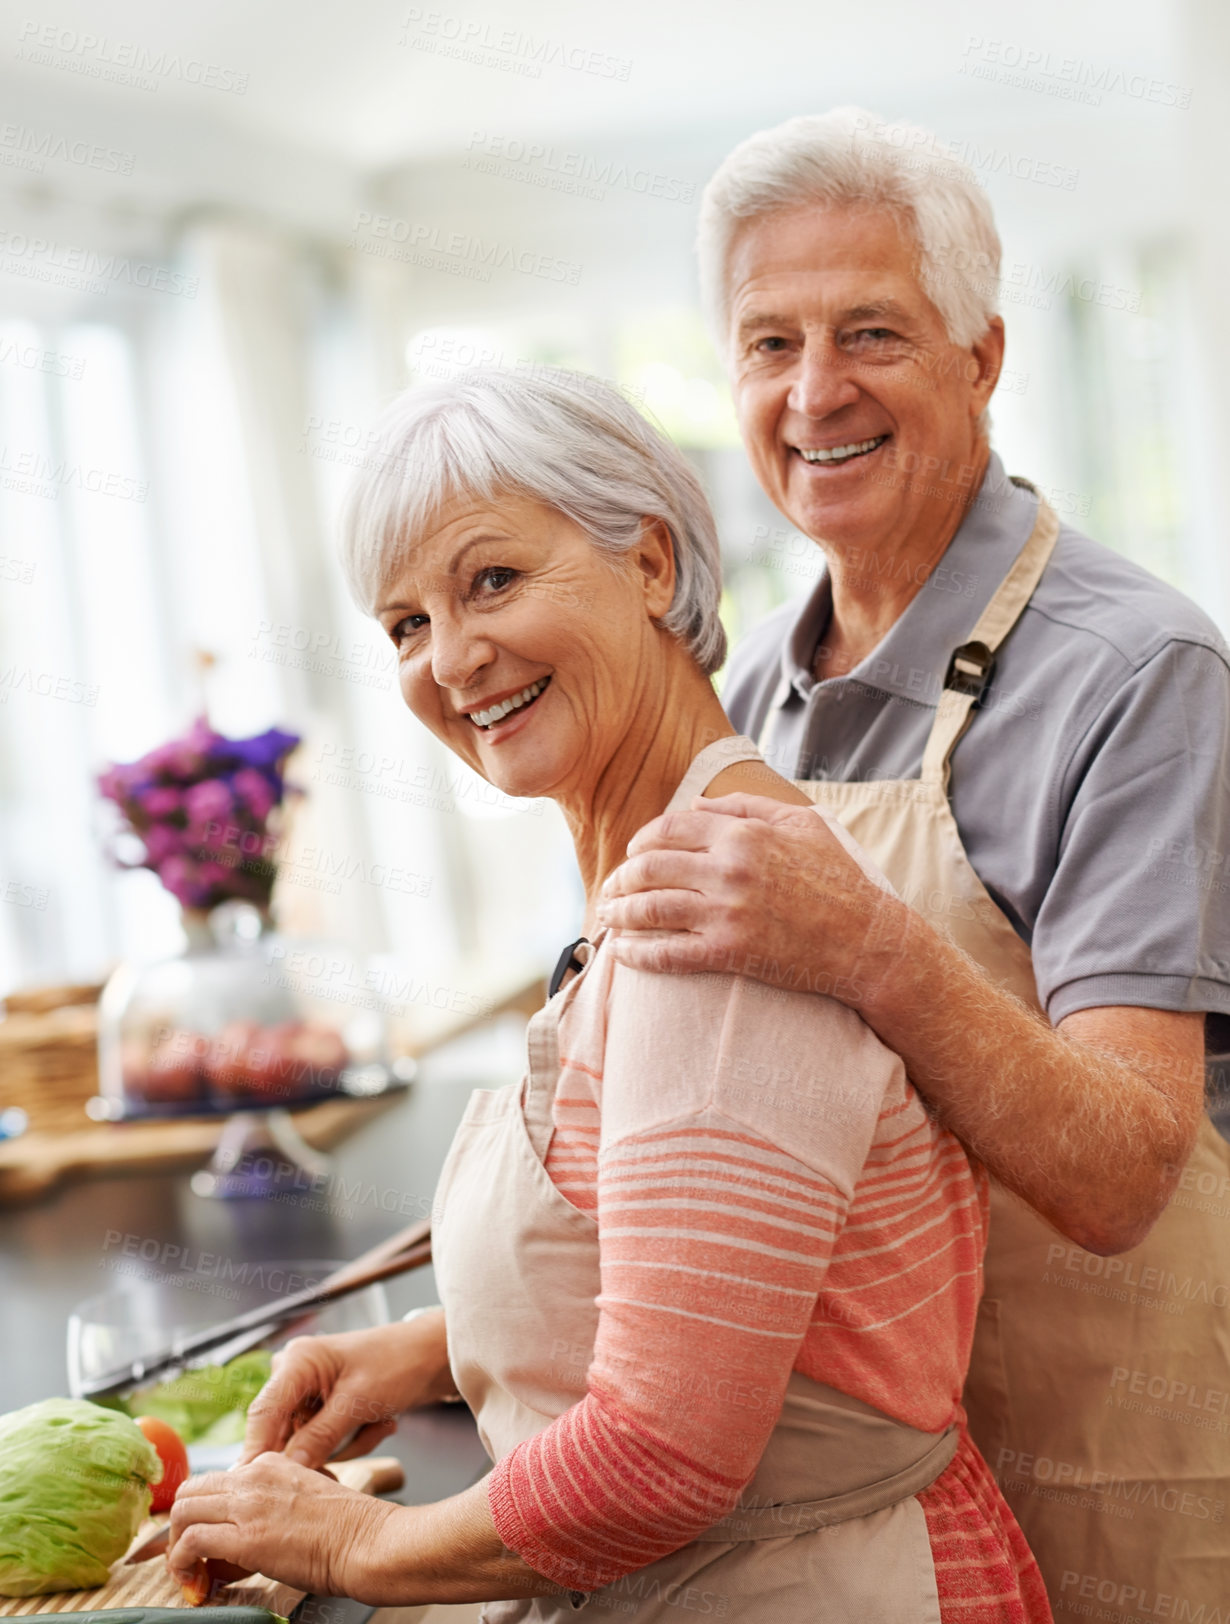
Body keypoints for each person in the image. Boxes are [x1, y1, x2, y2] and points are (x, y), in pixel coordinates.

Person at [168, 368, 1052, 1621]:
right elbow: (713, 1265)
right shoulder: (663, 866)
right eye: (406, 623)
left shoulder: (718, 920)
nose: (453, 659)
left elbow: (658, 1458)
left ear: (646, 565)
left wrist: (352, 1541)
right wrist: (433, 1345)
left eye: (492, 580)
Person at [597, 109, 1230, 1609]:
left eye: (869, 331)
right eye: (767, 344)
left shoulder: (1141, 674)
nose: (814, 393)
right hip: (857, 1523)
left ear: (981, 357)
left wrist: (868, 943)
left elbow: (1122, 1174)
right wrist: (423, 1345)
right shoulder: (743, 694)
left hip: (1106, 1472)